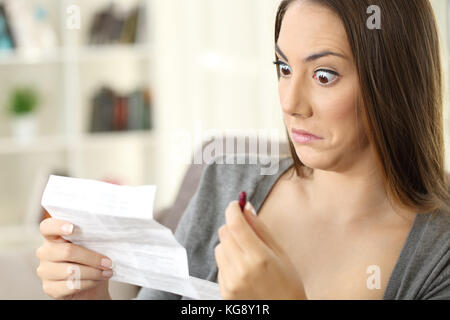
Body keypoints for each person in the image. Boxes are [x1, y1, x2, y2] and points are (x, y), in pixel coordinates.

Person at [36, 0, 450, 300]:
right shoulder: (227, 179)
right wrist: (87, 296)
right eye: (284, 69)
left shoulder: (437, 257)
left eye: (324, 76)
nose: (290, 102)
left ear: (394, 82)